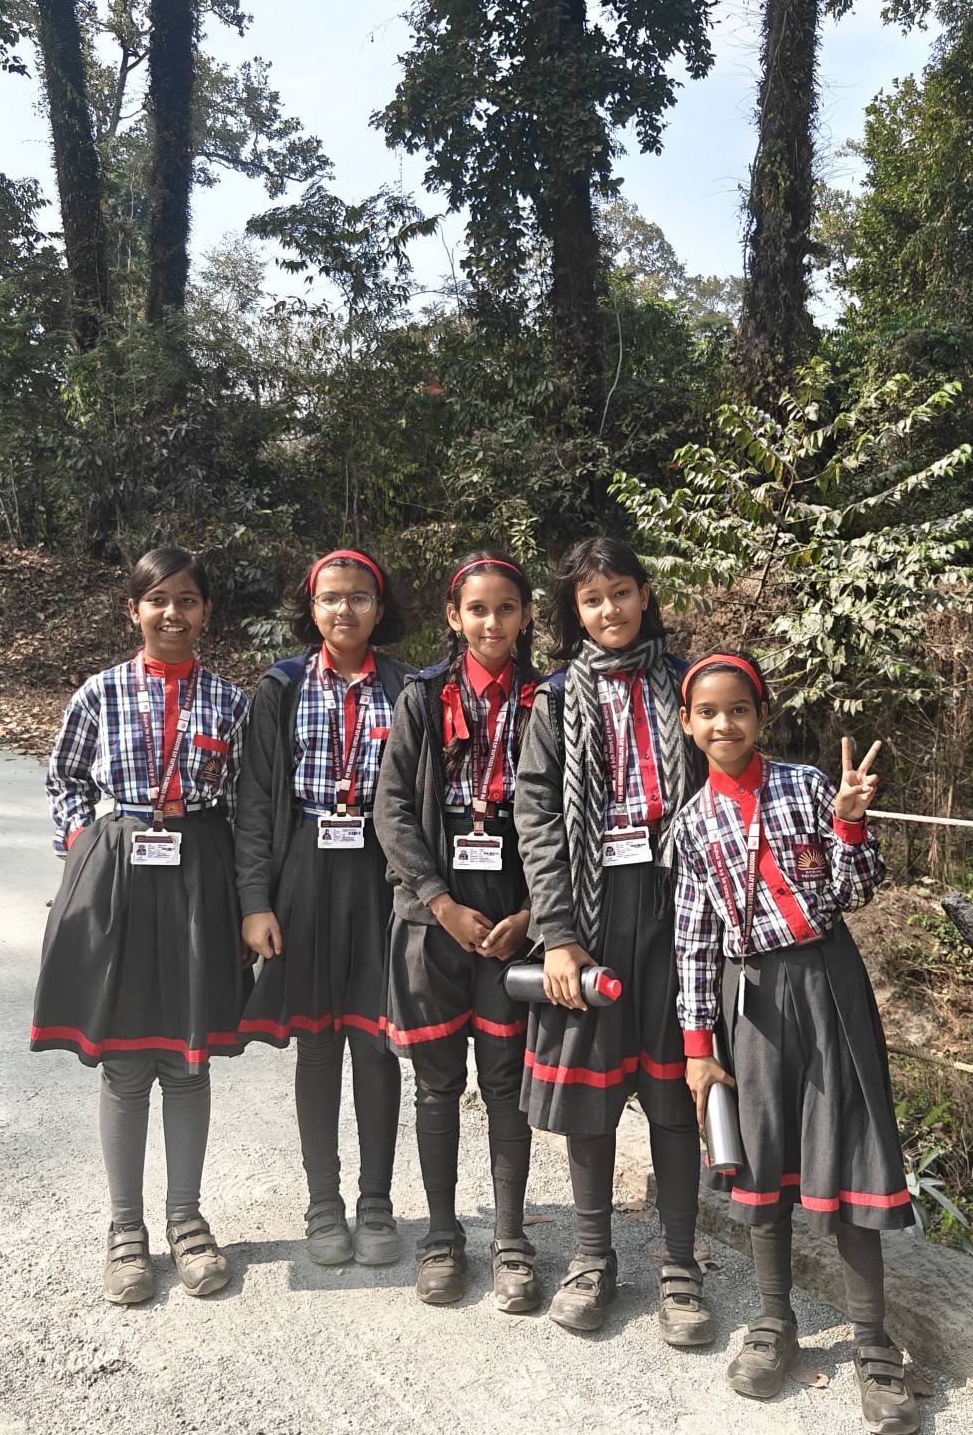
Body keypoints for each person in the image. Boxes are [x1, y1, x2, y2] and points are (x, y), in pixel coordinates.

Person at [672, 652, 918, 1431]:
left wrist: (849, 821)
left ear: (761, 716)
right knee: (764, 1148)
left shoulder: (806, 786)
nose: (725, 724)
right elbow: (693, 942)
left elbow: (856, 889)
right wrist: (698, 1045)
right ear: (688, 724)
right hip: (750, 1002)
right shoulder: (691, 825)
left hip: (827, 982)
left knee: (851, 1144)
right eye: (709, 712)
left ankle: (873, 1343)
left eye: (739, 709)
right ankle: (774, 1320)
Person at [31, 546, 251, 1306]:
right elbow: (64, 777)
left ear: (206, 612)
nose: (172, 613)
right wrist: (82, 850)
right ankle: (127, 1231)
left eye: (187, 600)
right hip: (120, 874)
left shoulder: (229, 701)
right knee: (126, 1063)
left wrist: (245, 897)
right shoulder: (99, 693)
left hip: (199, 877)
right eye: (158, 600)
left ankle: (187, 1220)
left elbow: (246, 804)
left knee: (188, 1061)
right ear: (134, 611)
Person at [514, 536, 712, 1345]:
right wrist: (558, 934)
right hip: (590, 913)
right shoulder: (557, 698)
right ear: (575, 612)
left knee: (673, 1092)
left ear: (645, 594)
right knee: (592, 1096)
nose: (609, 610)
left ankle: (680, 1265)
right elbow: (536, 815)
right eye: (592, 600)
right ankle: (592, 1258)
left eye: (620, 593)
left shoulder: (688, 685)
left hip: (675, 906)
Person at [234, 547, 413, 1267]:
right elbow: (255, 802)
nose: (345, 609)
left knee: (376, 1037)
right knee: (317, 1042)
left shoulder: (406, 687)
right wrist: (255, 900)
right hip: (305, 866)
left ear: (379, 607)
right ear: (311, 609)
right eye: (331, 597)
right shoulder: (281, 686)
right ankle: (323, 1203)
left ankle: (376, 1202)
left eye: (360, 597)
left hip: (380, 870)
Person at [374, 550, 540, 1310]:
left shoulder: (547, 699)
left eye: (506, 608)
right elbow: (392, 810)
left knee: (505, 1082)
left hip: (514, 903)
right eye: (477, 609)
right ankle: (442, 1236)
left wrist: (534, 912)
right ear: (454, 616)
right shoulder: (422, 696)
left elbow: (570, 812)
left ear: (526, 616)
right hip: (434, 908)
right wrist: (439, 901)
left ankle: (511, 1241)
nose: (491, 622)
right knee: (438, 1084)